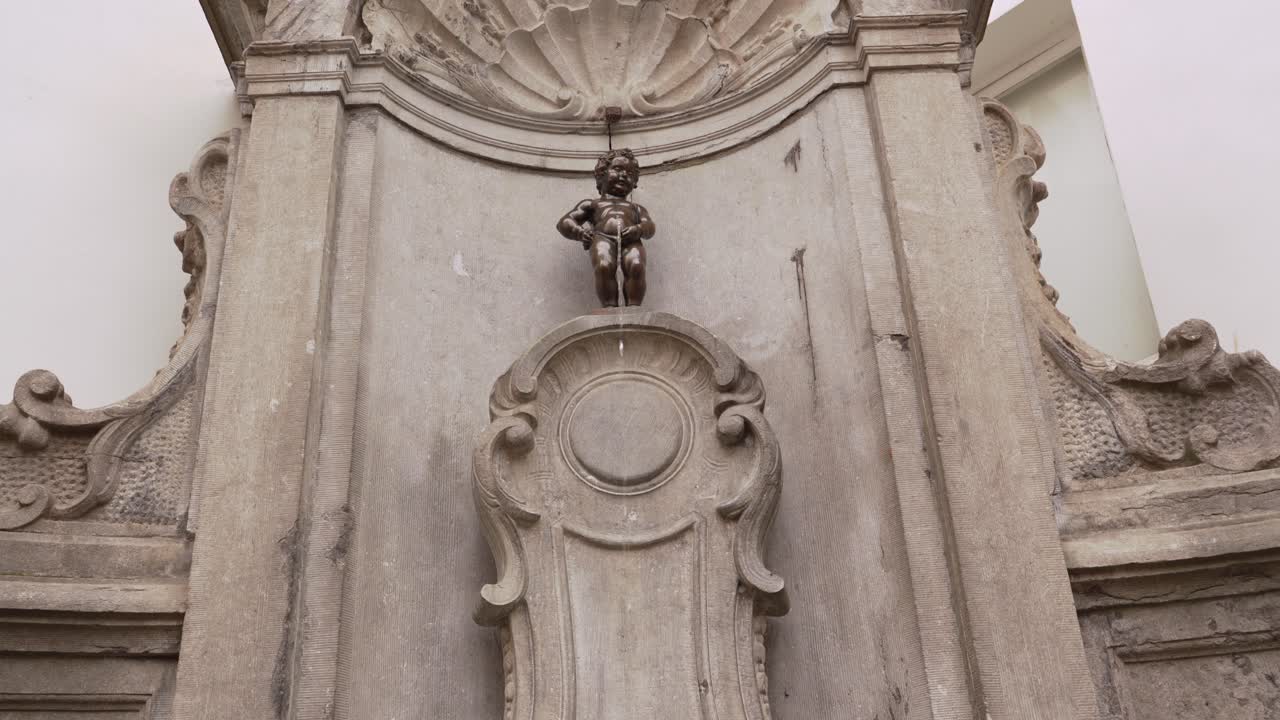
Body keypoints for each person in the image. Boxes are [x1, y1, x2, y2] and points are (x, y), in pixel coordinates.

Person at [556, 149, 656, 306]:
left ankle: (634, 306)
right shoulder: (592, 204)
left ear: (635, 182)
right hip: (602, 238)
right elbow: (565, 222)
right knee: (603, 266)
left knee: (636, 265)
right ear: (602, 174)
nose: (623, 175)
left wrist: (639, 229)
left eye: (629, 173)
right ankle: (609, 306)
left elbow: (649, 226)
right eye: (617, 169)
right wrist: (580, 233)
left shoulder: (636, 208)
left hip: (631, 239)